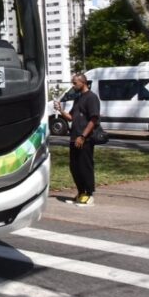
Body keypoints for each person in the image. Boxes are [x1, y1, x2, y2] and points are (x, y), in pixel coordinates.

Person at [54, 73, 100, 206]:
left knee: (85, 166)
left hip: (85, 138)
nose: (73, 86)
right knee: (74, 167)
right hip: (74, 138)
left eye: (75, 83)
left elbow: (94, 119)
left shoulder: (91, 98)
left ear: (83, 82)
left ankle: (89, 194)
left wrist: (83, 136)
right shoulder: (78, 98)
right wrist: (61, 111)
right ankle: (81, 193)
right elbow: (71, 117)